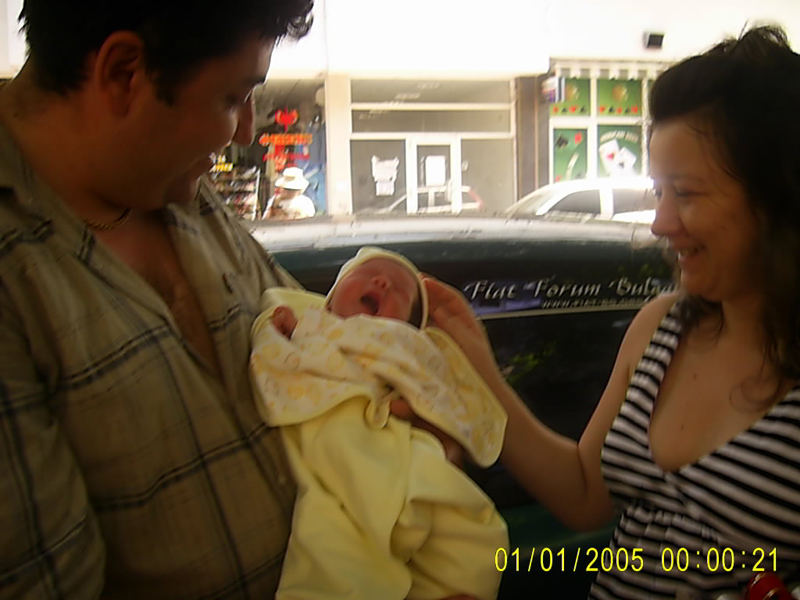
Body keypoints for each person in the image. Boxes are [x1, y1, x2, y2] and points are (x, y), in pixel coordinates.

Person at [0, 2, 473, 599]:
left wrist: (416, 427)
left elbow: (330, 345)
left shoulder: (178, 188)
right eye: (233, 98)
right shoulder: (16, 278)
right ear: (124, 73)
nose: (247, 130)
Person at [420, 26, 800, 600]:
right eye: (658, 192)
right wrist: (476, 367)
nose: (660, 223)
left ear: (778, 198)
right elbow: (584, 496)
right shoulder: (660, 328)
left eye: (686, 194)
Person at [249, 246, 508, 600]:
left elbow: (434, 391)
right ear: (329, 300)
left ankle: (452, 587)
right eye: (368, 273)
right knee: (333, 537)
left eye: (401, 291)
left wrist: (440, 431)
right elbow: (274, 345)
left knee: (476, 529)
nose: (383, 282)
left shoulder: (407, 345)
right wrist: (284, 329)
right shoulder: (308, 322)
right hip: (338, 438)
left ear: (409, 327)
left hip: (398, 446)